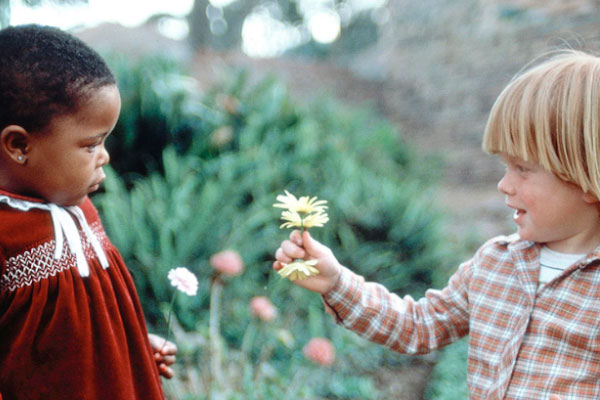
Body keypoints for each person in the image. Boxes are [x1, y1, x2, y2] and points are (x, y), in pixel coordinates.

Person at [274, 50, 600, 400]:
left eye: (523, 169)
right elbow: (418, 325)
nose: (504, 184)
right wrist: (338, 283)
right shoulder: (494, 264)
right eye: (505, 166)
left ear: (585, 178)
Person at [0, 24, 176, 399]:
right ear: (18, 145)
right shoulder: (6, 234)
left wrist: (129, 347)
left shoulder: (80, 208)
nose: (105, 156)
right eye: (91, 144)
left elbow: (83, 318)